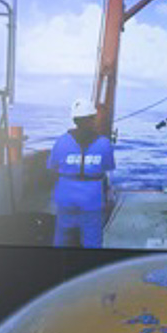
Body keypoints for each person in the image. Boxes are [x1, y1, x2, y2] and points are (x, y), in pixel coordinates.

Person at [49, 96, 115, 248]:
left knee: (62, 239)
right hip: (91, 201)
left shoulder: (61, 141)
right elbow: (108, 168)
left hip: (65, 198)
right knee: (92, 242)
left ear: (74, 119)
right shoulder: (104, 144)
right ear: (93, 119)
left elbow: (52, 167)